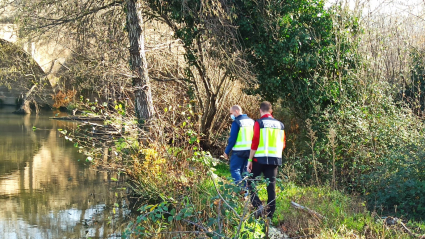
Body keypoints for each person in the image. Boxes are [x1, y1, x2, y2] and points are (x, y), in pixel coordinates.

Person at [247, 101, 286, 219]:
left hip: (259, 159)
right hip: (274, 160)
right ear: (271, 111)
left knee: (250, 181)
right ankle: (269, 215)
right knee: (271, 187)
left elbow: (255, 141)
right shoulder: (280, 125)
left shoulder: (259, 123)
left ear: (260, 110)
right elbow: (283, 143)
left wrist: (250, 159)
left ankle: (257, 204)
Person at [223, 105, 255, 186]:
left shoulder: (237, 122)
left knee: (235, 169)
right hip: (250, 151)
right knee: (245, 172)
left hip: (238, 151)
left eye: (231, 113)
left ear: (236, 111)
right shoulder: (252, 121)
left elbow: (232, 139)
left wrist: (226, 151)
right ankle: (245, 195)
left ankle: (241, 189)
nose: (231, 115)